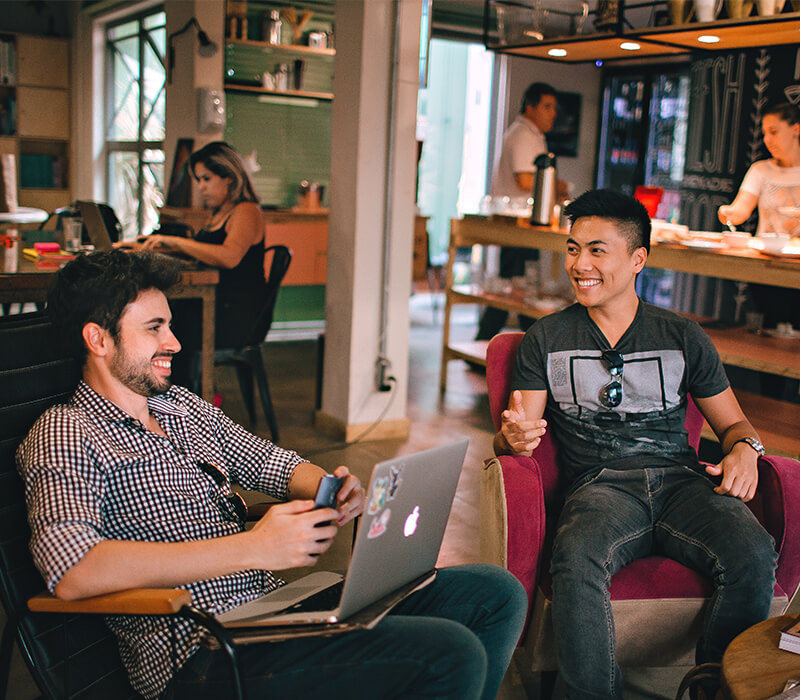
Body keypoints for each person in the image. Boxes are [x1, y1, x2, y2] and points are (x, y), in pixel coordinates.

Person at [17, 250, 527, 700]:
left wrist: (330, 488)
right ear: (98, 339)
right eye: (154, 328)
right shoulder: (66, 432)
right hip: (201, 653)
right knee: (448, 653)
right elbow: (73, 570)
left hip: (271, 612)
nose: (174, 342)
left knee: (494, 593)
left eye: (169, 325)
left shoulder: (178, 407)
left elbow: (267, 462)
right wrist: (253, 548)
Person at [495, 189, 777, 699]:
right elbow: (520, 431)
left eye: (597, 250)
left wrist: (744, 449)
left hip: (683, 483)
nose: (579, 264)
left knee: (753, 552)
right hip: (601, 487)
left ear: (637, 258)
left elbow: (735, 425)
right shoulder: (546, 338)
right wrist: (511, 437)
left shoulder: (683, 335)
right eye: (573, 248)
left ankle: (715, 688)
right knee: (576, 557)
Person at [135, 141, 268, 387]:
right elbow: (204, 253)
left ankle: (176, 401)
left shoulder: (247, 211)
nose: (201, 187)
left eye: (206, 179)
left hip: (235, 315)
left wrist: (175, 242)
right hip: (215, 304)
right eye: (198, 180)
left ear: (228, 176)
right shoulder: (220, 213)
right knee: (158, 319)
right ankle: (163, 397)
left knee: (164, 327)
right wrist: (150, 246)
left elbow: (229, 257)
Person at [476, 82, 559, 342]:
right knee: (516, 289)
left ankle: (523, 346)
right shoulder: (523, 134)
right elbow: (525, 180)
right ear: (530, 107)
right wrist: (558, 185)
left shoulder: (532, 134)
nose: (552, 113)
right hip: (516, 223)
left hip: (525, 223)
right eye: (547, 106)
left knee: (519, 288)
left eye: (554, 108)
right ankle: (487, 346)